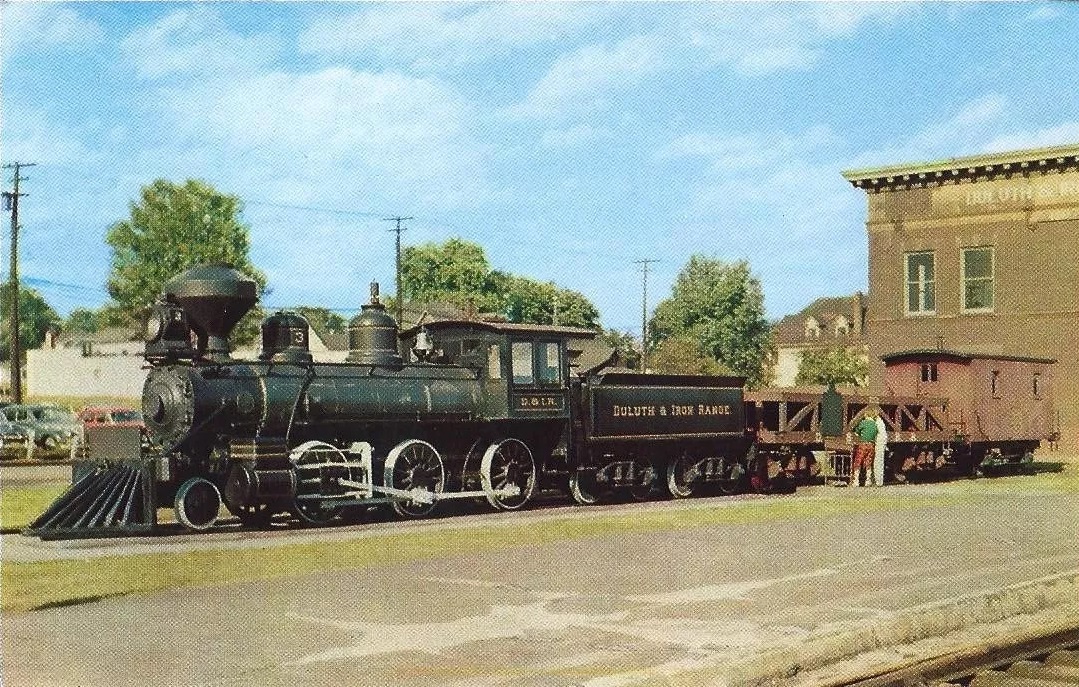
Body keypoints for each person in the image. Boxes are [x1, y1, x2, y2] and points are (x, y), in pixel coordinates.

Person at [850, 409, 878, 487]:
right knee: (868, 463)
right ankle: (868, 481)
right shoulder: (875, 424)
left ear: (866, 415)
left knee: (858, 461)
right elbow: (875, 433)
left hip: (863, 444)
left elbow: (857, 432)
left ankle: (856, 481)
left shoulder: (863, 422)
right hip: (871, 445)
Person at [873, 410, 888, 486]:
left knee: (878, 462)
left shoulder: (877, 422)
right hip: (881, 442)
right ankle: (879, 481)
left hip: (879, 442)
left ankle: (878, 481)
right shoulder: (881, 422)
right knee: (880, 461)